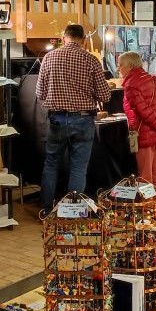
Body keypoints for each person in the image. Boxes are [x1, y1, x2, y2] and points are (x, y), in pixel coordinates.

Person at [36, 24, 112, 212]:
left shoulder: (49, 58)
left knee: (51, 164)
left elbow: (39, 92)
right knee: (78, 166)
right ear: (84, 40)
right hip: (83, 119)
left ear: (64, 38)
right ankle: (73, 211)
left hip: (57, 119)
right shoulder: (90, 60)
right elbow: (105, 95)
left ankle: (46, 209)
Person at [118, 51, 156, 186]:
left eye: (120, 65)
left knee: (145, 177)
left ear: (131, 66)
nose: (118, 68)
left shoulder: (131, 84)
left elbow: (143, 111)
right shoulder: (155, 79)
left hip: (145, 135)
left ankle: (148, 205)